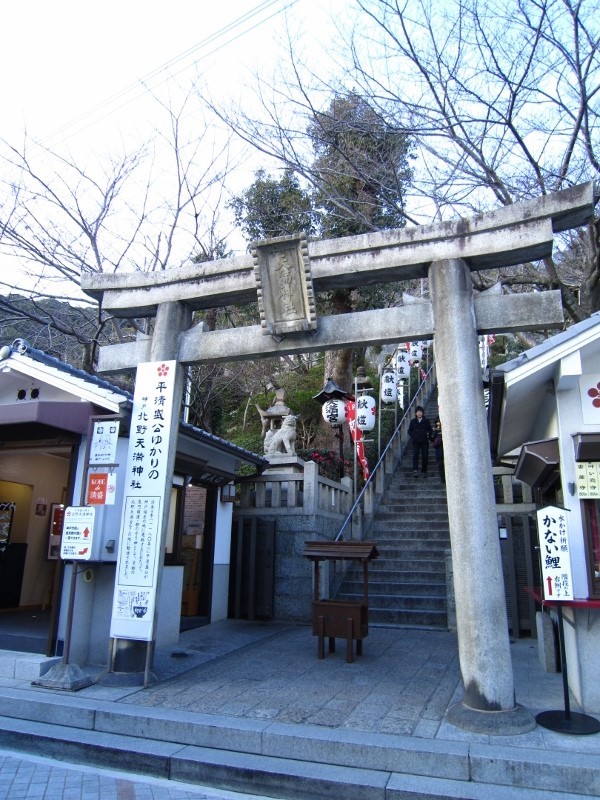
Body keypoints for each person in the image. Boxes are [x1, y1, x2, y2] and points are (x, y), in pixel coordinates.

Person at [407, 405, 433, 477]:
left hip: (424, 441)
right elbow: (409, 431)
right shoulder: (413, 421)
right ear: (416, 413)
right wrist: (414, 436)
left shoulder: (426, 421)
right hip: (416, 441)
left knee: (425, 456)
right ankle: (415, 470)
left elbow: (430, 430)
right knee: (415, 455)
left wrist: (428, 434)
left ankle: (424, 471)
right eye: (418, 412)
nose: (419, 413)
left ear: (422, 413)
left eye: (420, 412)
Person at [432, 416, 445, 483]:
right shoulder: (435, 430)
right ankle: (443, 479)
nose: (438, 423)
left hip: (444, 449)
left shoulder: (445, 428)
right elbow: (433, 440)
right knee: (440, 465)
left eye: (439, 421)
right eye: (437, 422)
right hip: (439, 450)